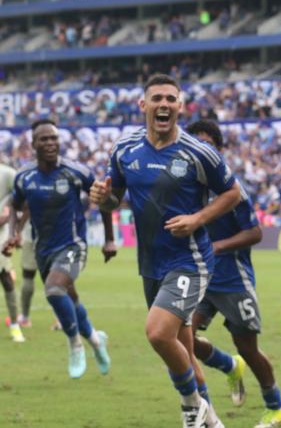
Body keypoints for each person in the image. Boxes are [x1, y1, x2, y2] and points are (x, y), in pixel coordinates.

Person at [90, 74, 240, 428]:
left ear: (180, 106)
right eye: (157, 98)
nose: (164, 104)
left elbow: (233, 193)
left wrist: (197, 219)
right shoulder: (125, 150)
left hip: (190, 260)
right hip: (151, 264)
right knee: (183, 351)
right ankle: (212, 421)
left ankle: (191, 406)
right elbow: (113, 199)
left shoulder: (198, 152)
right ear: (143, 105)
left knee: (158, 333)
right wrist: (102, 199)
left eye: (171, 99)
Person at [186, 120, 281, 428]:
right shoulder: (186, 188)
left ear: (218, 150)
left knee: (248, 347)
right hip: (201, 277)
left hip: (233, 279)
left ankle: (276, 406)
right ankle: (228, 365)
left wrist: (217, 247)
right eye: (196, 145)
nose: (202, 150)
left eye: (208, 144)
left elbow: (255, 233)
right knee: (182, 338)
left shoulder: (232, 189)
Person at [3, 118, 114, 377]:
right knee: (70, 299)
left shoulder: (76, 171)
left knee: (54, 290)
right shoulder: (25, 177)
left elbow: (104, 199)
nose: (51, 143)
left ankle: (75, 344)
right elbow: (15, 206)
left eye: (54, 138)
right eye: (44, 139)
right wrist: (13, 234)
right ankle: (96, 341)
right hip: (43, 250)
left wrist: (109, 239)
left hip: (73, 245)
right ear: (33, 144)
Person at [0, 162, 25, 343]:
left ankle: (15, 325)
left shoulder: (7, 173)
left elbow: (21, 199)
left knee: (6, 278)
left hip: (1, 234)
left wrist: (10, 216)